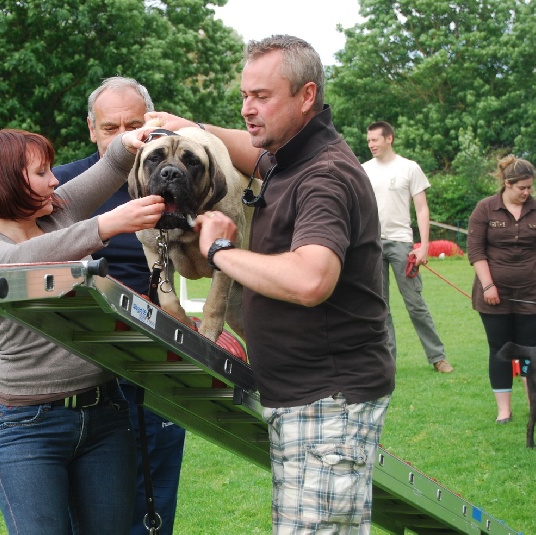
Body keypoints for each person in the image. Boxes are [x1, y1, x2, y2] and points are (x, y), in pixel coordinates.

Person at [146, 35, 395, 532]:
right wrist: (189, 129)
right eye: (243, 96)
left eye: (261, 96)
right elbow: (244, 152)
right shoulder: (291, 157)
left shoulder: (323, 175)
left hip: (328, 401)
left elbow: (311, 279)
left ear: (306, 97)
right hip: (303, 396)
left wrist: (221, 251)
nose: (247, 109)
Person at [0, 127, 163, 534]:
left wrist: (130, 140)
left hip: (105, 414)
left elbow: (112, 165)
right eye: (41, 172)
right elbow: (20, 262)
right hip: (28, 426)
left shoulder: (59, 212)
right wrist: (104, 226)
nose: (55, 180)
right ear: (7, 181)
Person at [53, 76, 186, 535]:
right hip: (85, 362)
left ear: (153, 121)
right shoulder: (66, 186)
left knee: (153, 501)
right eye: (111, 127)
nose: (124, 135)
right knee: (91, 510)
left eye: (135, 123)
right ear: (92, 129)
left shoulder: (176, 177)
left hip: (155, 358)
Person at [363, 121, 454, 373]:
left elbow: (422, 208)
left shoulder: (409, 168)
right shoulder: (363, 170)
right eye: (368, 140)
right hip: (372, 245)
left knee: (415, 304)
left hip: (402, 243)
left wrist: (423, 246)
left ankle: (438, 357)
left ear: (389, 138)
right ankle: (387, 361)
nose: (370, 144)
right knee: (380, 307)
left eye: (375, 140)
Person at [467, 155, 536, 424]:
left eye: (530, 187)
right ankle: (504, 411)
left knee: (530, 350)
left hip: (531, 295)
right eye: (522, 188)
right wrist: (488, 285)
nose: (527, 192)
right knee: (500, 349)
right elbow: (475, 251)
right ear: (508, 184)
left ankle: (534, 406)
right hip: (493, 295)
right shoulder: (485, 209)